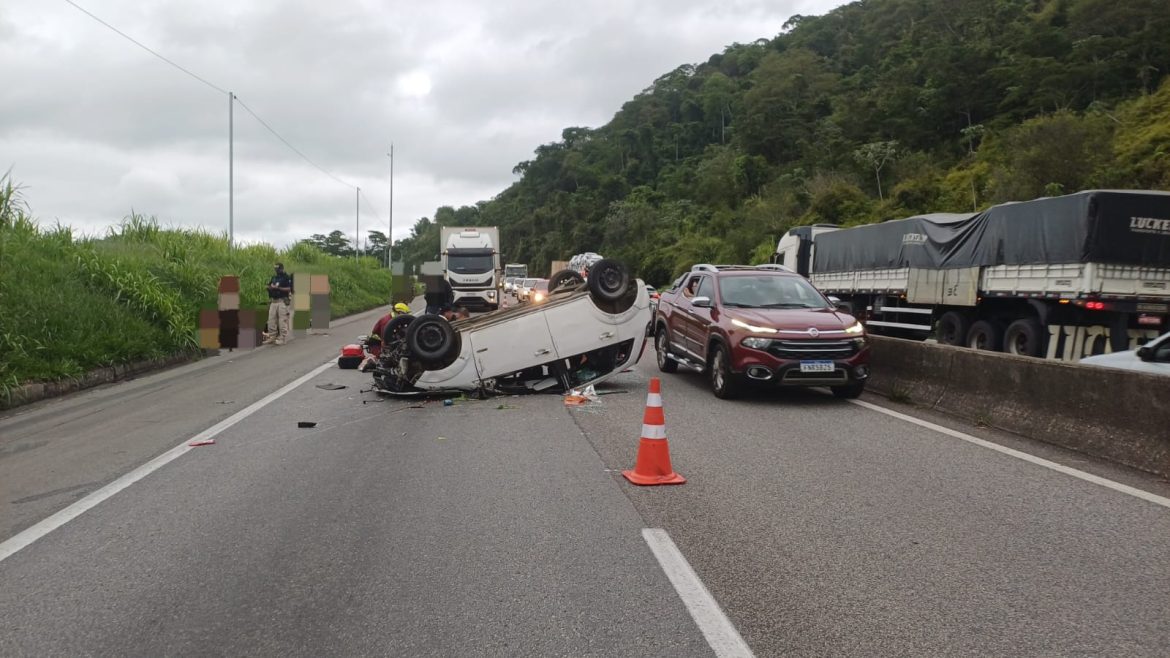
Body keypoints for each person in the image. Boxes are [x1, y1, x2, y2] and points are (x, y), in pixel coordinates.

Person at [264, 262, 294, 345]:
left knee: (282, 320)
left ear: (282, 268)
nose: (276, 270)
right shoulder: (274, 277)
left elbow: (289, 289)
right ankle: (272, 336)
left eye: (278, 269)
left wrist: (278, 288)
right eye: (275, 269)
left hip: (282, 301)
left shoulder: (286, 277)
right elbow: (268, 285)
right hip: (274, 301)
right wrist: (269, 287)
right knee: (271, 320)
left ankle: (282, 338)